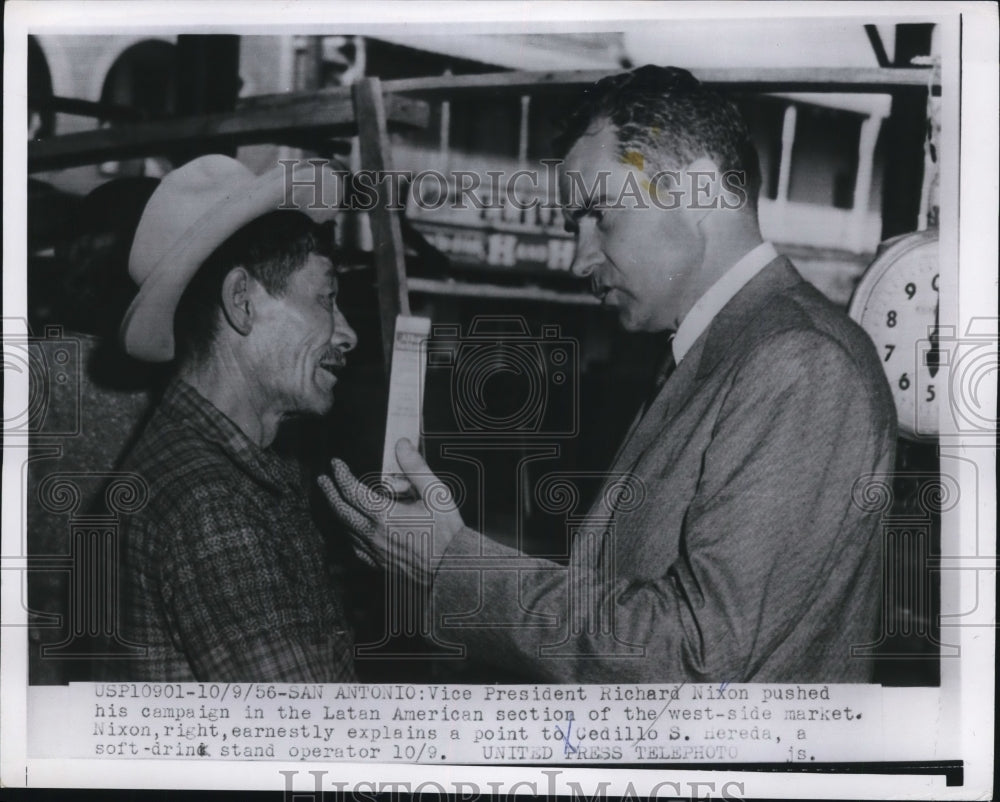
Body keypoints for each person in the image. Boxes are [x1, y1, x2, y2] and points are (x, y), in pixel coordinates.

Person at [322, 65, 897, 683]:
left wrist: (453, 566)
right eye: (575, 226)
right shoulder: (717, 352)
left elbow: (693, 658)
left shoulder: (801, 365)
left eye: (600, 215)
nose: (579, 258)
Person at [113, 154, 358, 681]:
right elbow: (308, 743)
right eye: (326, 299)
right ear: (241, 301)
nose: (346, 334)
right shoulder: (213, 504)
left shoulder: (208, 469)